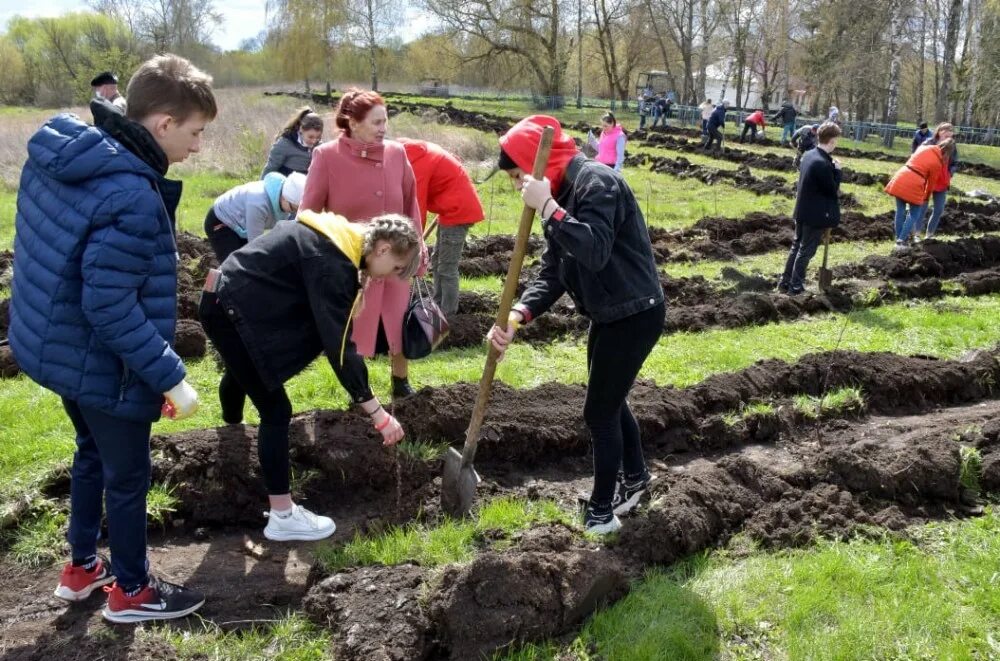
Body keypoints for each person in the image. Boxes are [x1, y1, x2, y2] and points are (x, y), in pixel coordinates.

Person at [9, 54, 216, 623]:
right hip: (107, 363)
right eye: (195, 132)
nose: (198, 147)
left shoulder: (74, 157)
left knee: (91, 455)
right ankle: (132, 590)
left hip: (62, 350)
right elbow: (109, 305)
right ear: (163, 124)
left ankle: (80, 570)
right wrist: (170, 377)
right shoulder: (130, 194)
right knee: (127, 477)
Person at [487, 115, 665, 535]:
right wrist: (518, 315)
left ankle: (602, 513)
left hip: (635, 314)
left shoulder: (596, 183)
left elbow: (595, 250)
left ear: (536, 163)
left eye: (518, 177)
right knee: (611, 401)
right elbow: (556, 267)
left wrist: (548, 207)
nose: (518, 188)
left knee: (599, 413)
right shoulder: (567, 190)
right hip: (610, 313)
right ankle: (636, 479)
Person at [200, 212, 418, 541]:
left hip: (223, 295)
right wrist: (377, 413)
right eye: (398, 268)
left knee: (244, 370)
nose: (392, 276)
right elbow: (340, 347)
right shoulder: (332, 262)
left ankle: (231, 435)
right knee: (276, 410)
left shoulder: (335, 236)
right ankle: (283, 516)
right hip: (231, 307)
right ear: (383, 249)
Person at [300, 89, 426, 400]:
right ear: (352, 123)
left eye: (386, 121)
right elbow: (308, 214)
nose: (384, 128)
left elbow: (411, 204)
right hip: (352, 262)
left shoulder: (397, 154)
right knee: (354, 328)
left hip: (396, 257)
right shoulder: (327, 156)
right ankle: (362, 390)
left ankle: (400, 381)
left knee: (399, 319)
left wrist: (418, 249)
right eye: (376, 122)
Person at [399, 138, 484, 318]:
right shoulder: (416, 152)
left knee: (447, 266)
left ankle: (448, 314)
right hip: (450, 209)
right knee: (438, 261)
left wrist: (415, 243)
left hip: (458, 211)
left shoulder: (416, 164)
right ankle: (438, 304)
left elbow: (417, 206)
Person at [778, 122, 843, 295]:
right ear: (832, 141)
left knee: (797, 246)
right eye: (836, 140)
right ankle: (796, 287)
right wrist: (837, 171)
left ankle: (785, 282)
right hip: (815, 214)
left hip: (802, 209)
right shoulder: (823, 163)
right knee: (806, 251)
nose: (837, 144)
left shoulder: (809, 155)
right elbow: (832, 190)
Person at [205, 172, 306, 263]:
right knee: (233, 265)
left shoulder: (284, 201)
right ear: (284, 197)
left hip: (242, 225)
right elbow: (255, 245)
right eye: (293, 208)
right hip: (221, 221)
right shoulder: (258, 203)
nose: (293, 213)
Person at [883, 137, 955, 249]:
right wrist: (925, 197)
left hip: (901, 175)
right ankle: (901, 242)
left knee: (900, 210)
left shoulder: (924, 147)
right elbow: (931, 184)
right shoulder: (937, 163)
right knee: (914, 213)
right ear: (948, 152)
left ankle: (899, 239)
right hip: (915, 181)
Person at [916, 123, 959, 239]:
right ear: (939, 131)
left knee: (939, 209)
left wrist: (950, 173)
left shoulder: (952, 146)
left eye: (950, 131)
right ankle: (916, 234)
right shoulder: (929, 142)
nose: (947, 133)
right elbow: (918, 156)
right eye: (944, 130)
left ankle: (929, 235)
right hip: (927, 180)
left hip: (942, 182)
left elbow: (955, 163)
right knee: (922, 208)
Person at [261, 106, 324, 178]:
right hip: (284, 184)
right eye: (310, 137)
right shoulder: (284, 144)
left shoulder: (320, 147)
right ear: (301, 129)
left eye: (318, 137)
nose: (314, 141)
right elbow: (271, 168)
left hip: (305, 184)